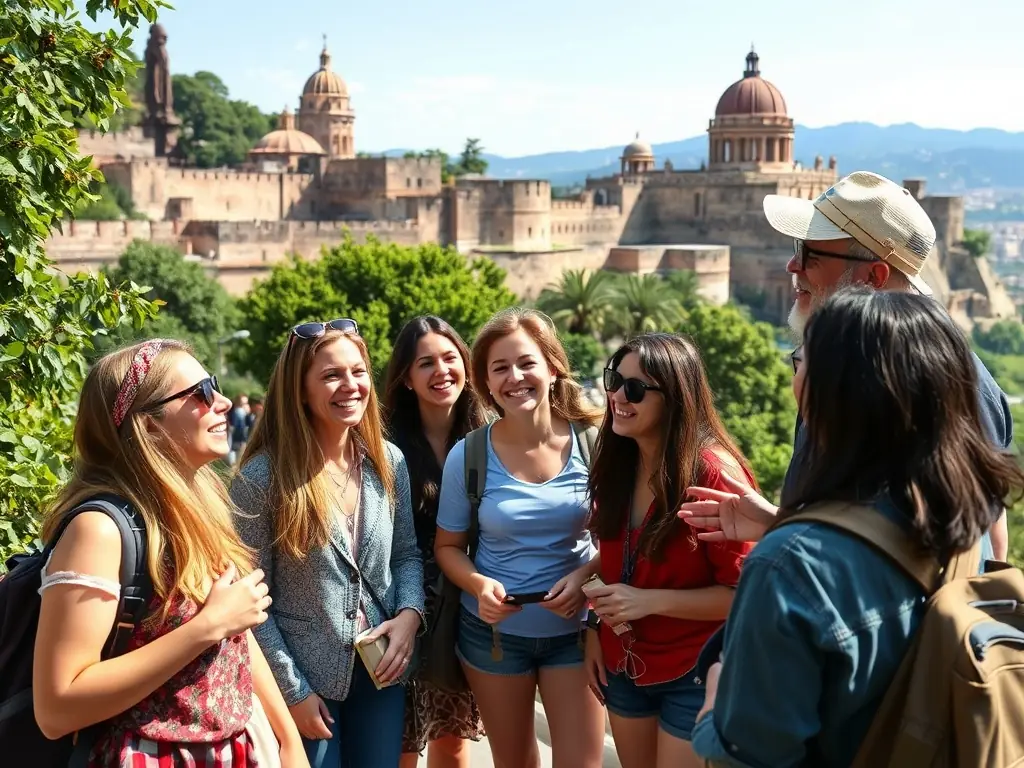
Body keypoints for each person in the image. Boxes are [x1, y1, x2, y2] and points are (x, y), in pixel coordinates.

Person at [688, 288, 1024, 766]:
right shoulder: (959, 528)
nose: (794, 374)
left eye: (798, 361)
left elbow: (748, 757)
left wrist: (712, 707)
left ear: (832, 392)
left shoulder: (787, 570)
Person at [680, 170, 1011, 563]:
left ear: (874, 276)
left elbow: (973, 547)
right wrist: (782, 525)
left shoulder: (949, 381)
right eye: (796, 247)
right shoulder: (838, 365)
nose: (791, 265)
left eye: (810, 254)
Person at [33, 339, 306, 766]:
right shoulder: (99, 531)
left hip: (232, 750)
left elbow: (236, 634)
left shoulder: (195, 506)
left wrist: (289, 743)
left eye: (213, 385)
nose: (222, 402)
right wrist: (208, 626)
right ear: (148, 425)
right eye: (199, 393)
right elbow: (57, 707)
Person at [231, 319, 425, 768]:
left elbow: (407, 556)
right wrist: (292, 692)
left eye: (359, 372)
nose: (350, 386)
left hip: (381, 675)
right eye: (331, 375)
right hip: (303, 680)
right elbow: (248, 602)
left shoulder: (387, 461)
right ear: (300, 390)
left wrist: (410, 617)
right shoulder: (263, 478)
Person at [434, 307, 607, 768]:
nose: (515, 377)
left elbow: (624, 538)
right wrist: (478, 585)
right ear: (486, 384)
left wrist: (585, 576)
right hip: (494, 636)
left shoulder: (596, 443)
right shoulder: (468, 456)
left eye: (527, 363)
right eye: (500, 368)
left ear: (552, 368)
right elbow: (448, 548)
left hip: (575, 633)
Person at [584, 333, 755, 768]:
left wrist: (645, 603)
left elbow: (744, 596)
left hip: (692, 672)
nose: (618, 396)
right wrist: (591, 627)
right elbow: (617, 558)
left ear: (674, 397)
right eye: (613, 380)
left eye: (636, 389)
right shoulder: (620, 459)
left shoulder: (713, 474)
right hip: (624, 665)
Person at [382, 316, 488, 768]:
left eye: (450, 358)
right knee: (402, 743)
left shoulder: (492, 435)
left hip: (466, 607)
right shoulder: (384, 443)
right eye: (425, 363)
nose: (441, 371)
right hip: (401, 608)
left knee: (452, 740)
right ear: (406, 377)